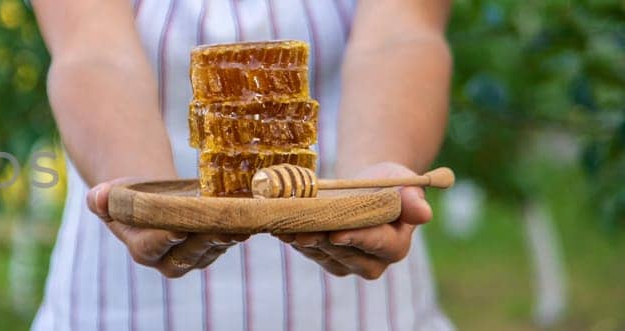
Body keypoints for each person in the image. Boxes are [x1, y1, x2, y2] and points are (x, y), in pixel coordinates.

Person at [29, 0, 454, 329]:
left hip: (363, 312)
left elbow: (401, 35)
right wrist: (149, 198)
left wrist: (366, 193)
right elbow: (92, 50)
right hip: (122, 306)